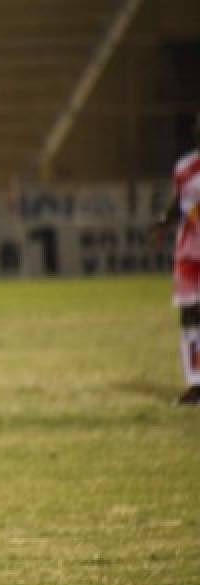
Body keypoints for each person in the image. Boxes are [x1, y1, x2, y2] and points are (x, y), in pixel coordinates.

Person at [152, 111, 200, 405]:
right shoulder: (185, 167)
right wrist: (163, 221)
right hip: (191, 254)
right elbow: (180, 202)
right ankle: (196, 382)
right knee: (191, 315)